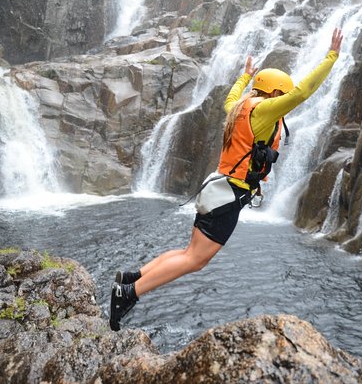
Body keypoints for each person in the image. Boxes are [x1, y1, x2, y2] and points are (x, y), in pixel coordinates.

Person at [109, 28, 344, 331]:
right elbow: (302, 92)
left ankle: (133, 277)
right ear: (274, 94)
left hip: (219, 188)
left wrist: (245, 76)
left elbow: (233, 95)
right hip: (228, 195)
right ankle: (128, 293)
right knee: (194, 260)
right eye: (281, 96)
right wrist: (331, 56)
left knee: (187, 253)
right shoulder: (265, 112)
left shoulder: (239, 107)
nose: (284, 102)